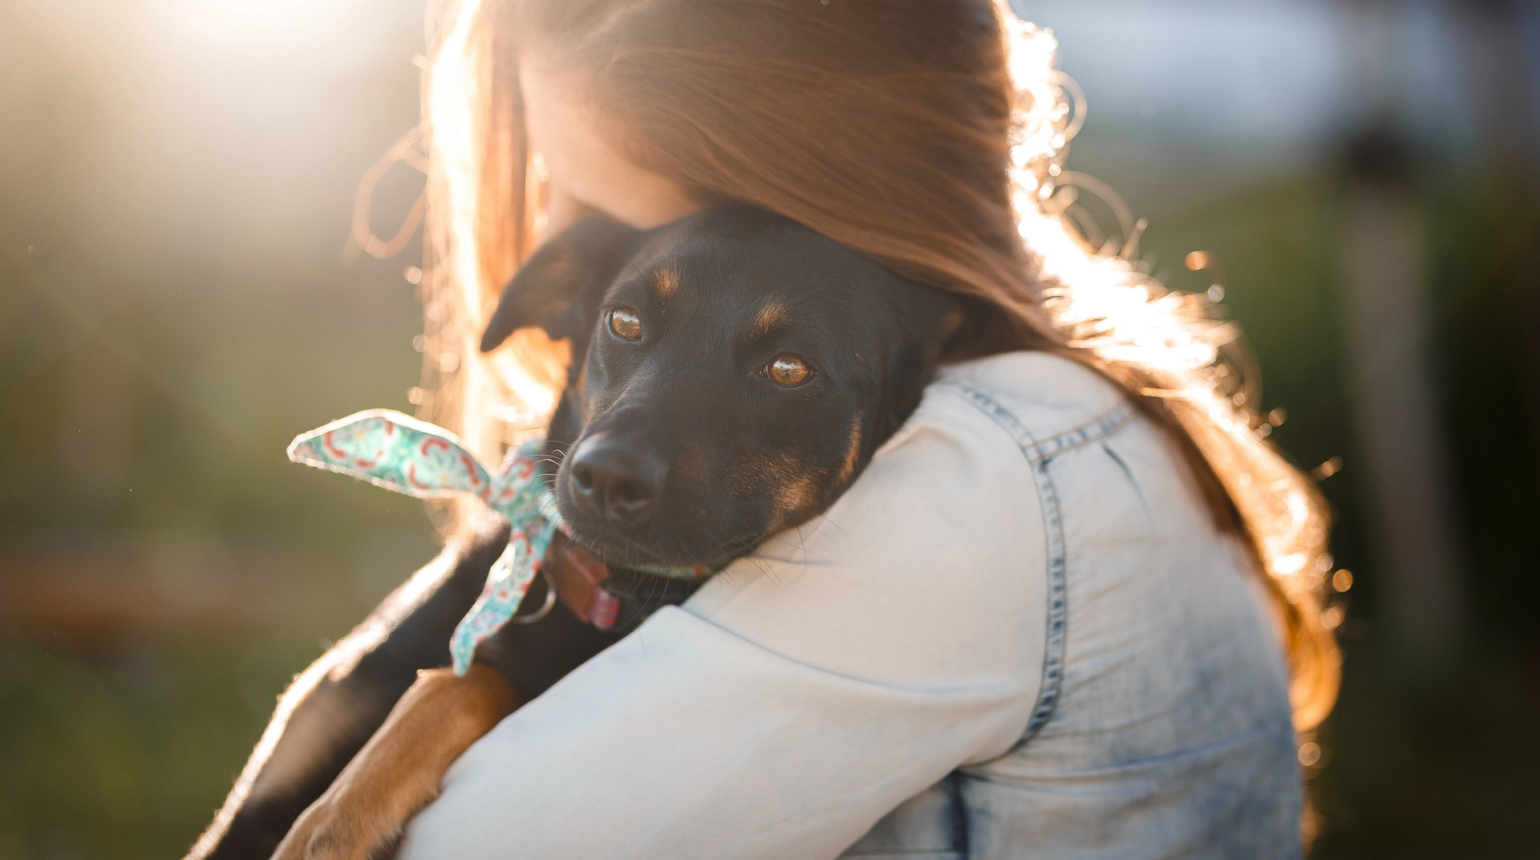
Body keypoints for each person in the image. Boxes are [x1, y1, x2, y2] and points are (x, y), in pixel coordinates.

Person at [217, 1, 1342, 857]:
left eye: (597, 198)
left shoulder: (963, 496)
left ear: (784, 190)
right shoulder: (1060, 408)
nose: (555, 232)